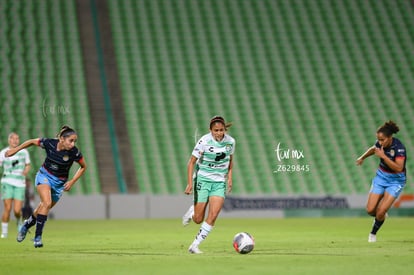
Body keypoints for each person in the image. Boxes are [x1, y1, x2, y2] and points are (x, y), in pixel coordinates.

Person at [5, 126, 87, 248]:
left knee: (42, 208)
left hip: (59, 184)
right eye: (71, 140)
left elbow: (83, 167)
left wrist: (72, 181)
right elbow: (32, 141)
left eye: (74, 141)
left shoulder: (74, 152)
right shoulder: (49, 143)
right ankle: (37, 238)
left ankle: (26, 225)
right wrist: (15, 150)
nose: (73, 143)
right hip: (44, 176)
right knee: (46, 203)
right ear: (62, 139)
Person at [182, 116, 235, 254]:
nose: (219, 133)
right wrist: (189, 184)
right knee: (198, 219)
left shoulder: (230, 142)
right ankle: (193, 211)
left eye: (221, 130)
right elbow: (191, 162)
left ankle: (194, 245)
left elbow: (230, 160)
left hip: (219, 182)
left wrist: (229, 178)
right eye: (216, 130)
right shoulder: (204, 141)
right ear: (210, 130)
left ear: (225, 130)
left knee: (213, 214)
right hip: (203, 180)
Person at [356, 120, 406, 243]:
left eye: (382, 140)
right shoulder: (380, 145)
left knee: (381, 211)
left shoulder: (399, 149)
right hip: (381, 178)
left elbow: (399, 168)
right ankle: (380, 216)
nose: (380, 142)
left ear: (390, 138)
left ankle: (373, 234)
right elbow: (373, 149)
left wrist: (383, 156)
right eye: (378, 139)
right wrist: (362, 157)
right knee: (370, 210)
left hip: (396, 181)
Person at [0, 133, 31, 238]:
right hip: (7, 182)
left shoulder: (24, 152)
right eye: (13, 139)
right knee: (7, 208)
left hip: (20, 183)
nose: (15, 140)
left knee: (17, 210)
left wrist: (25, 171)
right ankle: (4, 233)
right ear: (9, 140)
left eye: (17, 138)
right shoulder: (3, 152)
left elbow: (28, 165)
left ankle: (18, 220)